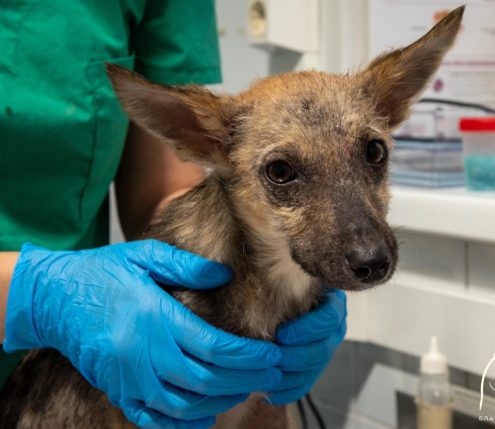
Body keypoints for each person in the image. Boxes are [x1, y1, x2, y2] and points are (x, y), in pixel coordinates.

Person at [0, 1, 346, 428]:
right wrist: (33, 294)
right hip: (61, 373)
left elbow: (166, 190)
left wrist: (274, 284)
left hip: (100, 356)